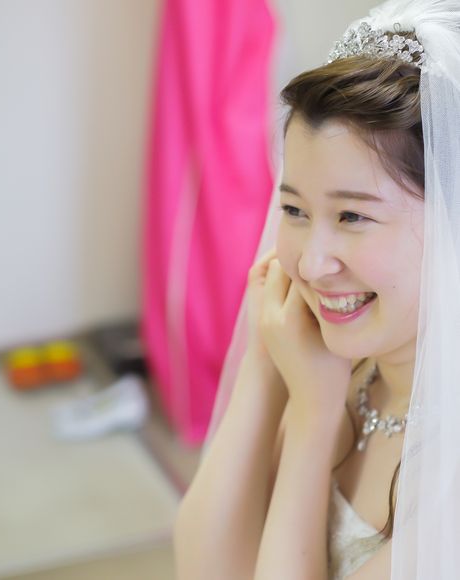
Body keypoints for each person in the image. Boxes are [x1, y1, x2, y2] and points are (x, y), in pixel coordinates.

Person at [173, 0, 460, 578]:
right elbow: (206, 568)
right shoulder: (331, 360)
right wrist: (264, 364)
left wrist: (313, 416)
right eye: (294, 210)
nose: (310, 263)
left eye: (352, 216)